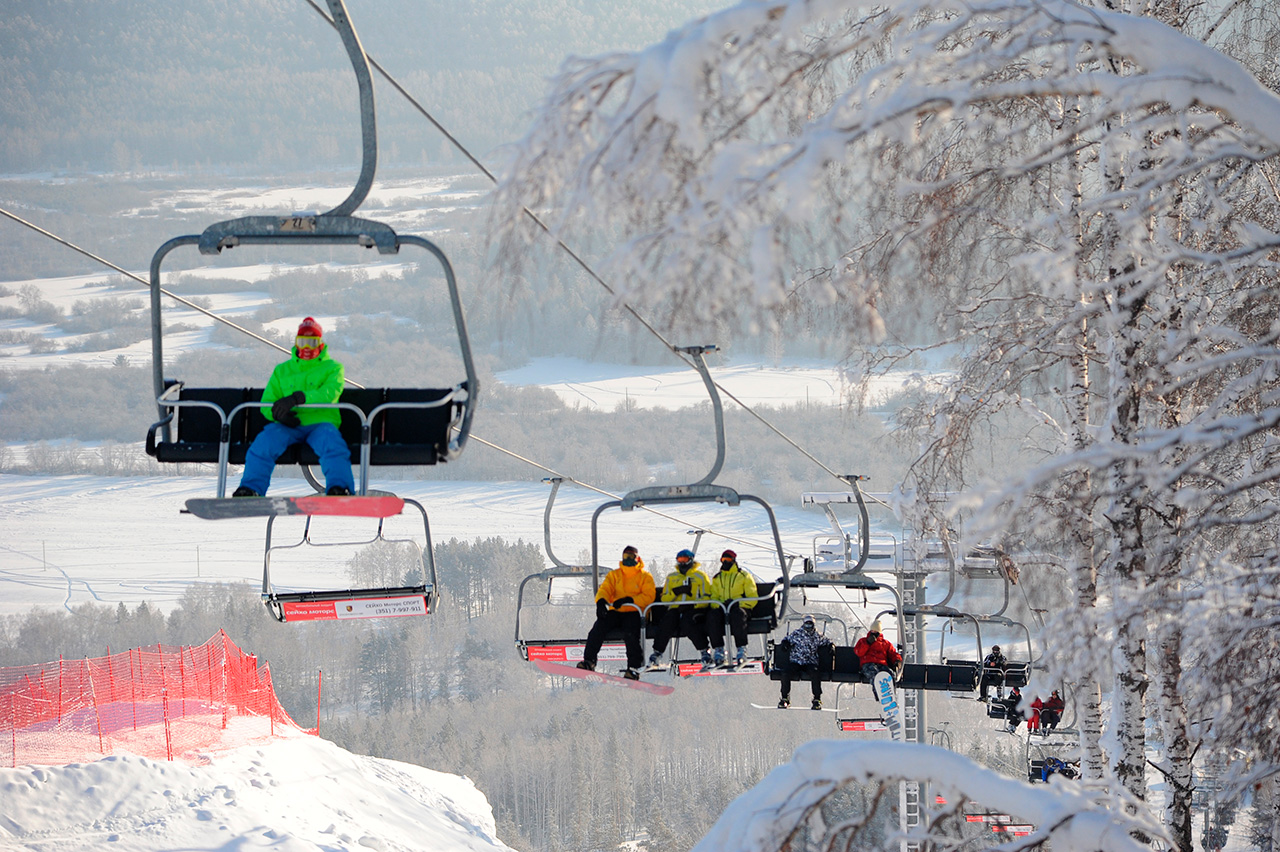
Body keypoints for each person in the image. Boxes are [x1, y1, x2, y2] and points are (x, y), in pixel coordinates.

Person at [233, 317, 354, 498]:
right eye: (302, 342)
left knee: (332, 446)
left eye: (311, 343)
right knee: (263, 444)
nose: (306, 348)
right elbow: (267, 402)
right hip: (288, 426)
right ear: (296, 343)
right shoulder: (282, 370)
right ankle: (251, 489)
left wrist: (298, 398)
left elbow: (329, 394)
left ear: (320, 344)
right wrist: (278, 415)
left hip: (319, 423)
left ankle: (339, 488)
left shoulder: (332, 368)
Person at [577, 545, 656, 680]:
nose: (629, 560)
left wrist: (630, 600)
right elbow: (606, 589)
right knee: (598, 628)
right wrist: (601, 601)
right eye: (626, 557)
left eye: (631, 557)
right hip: (617, 611)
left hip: (635, 611)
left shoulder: (644, 577)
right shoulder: (615, 575)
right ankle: (589, 661)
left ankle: (633, 668)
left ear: (637, 558)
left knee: (630, 635)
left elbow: (649, 596)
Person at [647, 549, 711, 667]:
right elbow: (664, 599)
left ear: (691, 560)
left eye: (685, 560)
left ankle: (704, 651)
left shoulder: (700, 577)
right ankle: (657, 653)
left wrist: (694, 604)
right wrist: (675, 593)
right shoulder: (672, 577)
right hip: (676, 609)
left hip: (695, 609)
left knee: (688, 623)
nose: (682, 563)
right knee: (667, 622)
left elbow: (706, 597)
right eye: (679, 560)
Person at [705, 550, 758, 666]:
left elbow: (752, 597)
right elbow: (713, 596)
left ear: (734, 560)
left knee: (738, 615)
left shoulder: (743, 576)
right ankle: (718, 649)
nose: (725, 563)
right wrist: (719, 604)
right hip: (723, 609)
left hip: (740, 608)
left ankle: (741, 649)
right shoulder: (718, 578)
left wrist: (738, 604)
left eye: (728, 560)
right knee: (712, 616)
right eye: (723, 560)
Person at [777, 615, 834, 710]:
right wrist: (785, 643)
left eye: (810, 625)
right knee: (786, 673)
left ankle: (817, 699)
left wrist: (831, 646)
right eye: (806, 625)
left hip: (810, 662)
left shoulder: (817, 636)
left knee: (815, 673)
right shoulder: (797, 634)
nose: (808, 627)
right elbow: (787, 639)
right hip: (796, 661)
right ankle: (785, 698)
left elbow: (827, 641)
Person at [853, 619, 902, 689]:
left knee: (890, 675)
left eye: (875, 631)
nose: (873, 633)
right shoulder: (863, 641)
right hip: (868, 663)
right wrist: (867, 643)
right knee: (875, 676)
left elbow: (892, 653)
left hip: (881, 664)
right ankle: (879, 694)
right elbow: (859, 652)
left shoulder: (885, 644)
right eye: (872, 631)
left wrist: (897, 660)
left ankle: (891, 694)